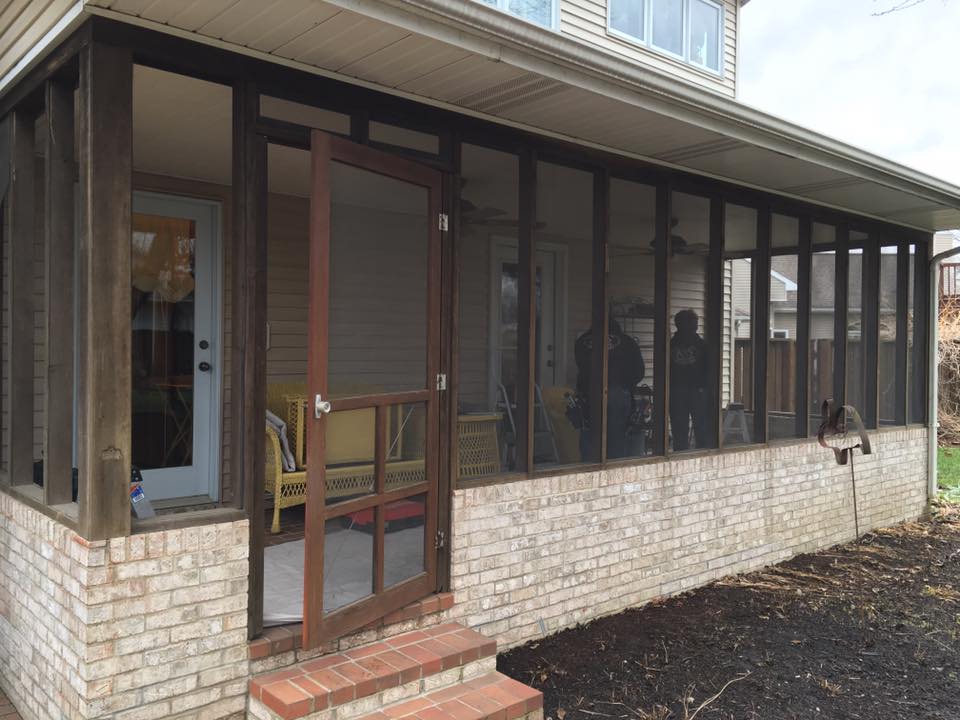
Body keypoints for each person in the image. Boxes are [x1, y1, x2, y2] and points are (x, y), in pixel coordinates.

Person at [573, 319, 645, 460]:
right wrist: (626, 384)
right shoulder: (627, 341)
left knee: (590, 431)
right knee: (616, 434)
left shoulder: (582, 341)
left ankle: (590, 467)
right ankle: (613, 468)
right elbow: (638, 371)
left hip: (589, 393)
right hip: (618, 393)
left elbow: (581, 366)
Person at [670, 309, 709, 451]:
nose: (695, 327)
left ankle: (692, 454)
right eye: (693, 324)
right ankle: (695, 454)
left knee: (693, 428)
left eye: (695, 324)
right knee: (696, 427)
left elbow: (709, 369)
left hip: (690, 390)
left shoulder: (671, 344)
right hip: (686, 391)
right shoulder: (700, 345)